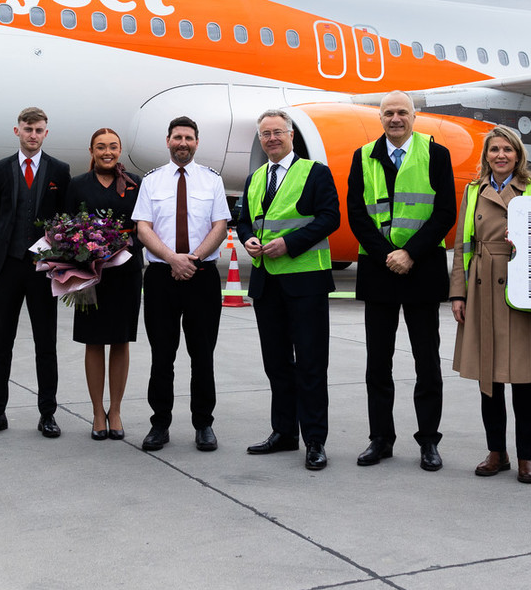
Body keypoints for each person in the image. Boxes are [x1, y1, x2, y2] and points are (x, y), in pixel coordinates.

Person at [345, 90, 456, 471]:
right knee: (378, 363)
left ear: (414, 116)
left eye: (402, 112)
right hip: (379, 271)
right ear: (380, 118)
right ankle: (381, 439)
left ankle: (429, 441)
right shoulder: (362, 156)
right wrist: (386, 255)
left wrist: (409, 253)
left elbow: (445, 212)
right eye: (389, 112)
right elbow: (357, 214)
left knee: (427, 362)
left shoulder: (436, 154)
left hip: (422, 269)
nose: (396, 118)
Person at [231, 109, 341, 471]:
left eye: (278, 132)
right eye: (265, 134)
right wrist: (247, 238)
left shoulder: (315, 172)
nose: (272, 139)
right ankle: (284, 432)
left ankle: (314, 440)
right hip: (267, 282)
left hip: (305, 281)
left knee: (310, 364)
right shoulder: (255, 177)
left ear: (291, 135)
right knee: (276, 363)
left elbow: (330, 217)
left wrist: (289, 244)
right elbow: (243, 219)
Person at [449, 125, 531, 482]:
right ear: (486, 156)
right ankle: (496, 452)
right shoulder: (473, 190)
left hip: (521, 289)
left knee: (525, 380)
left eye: (507, 149)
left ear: (518, 154)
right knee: (488, 379)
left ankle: (526, 457)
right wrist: (458, 293)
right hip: (482, 288)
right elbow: (462, 244)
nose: (501, 155)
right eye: (494, 149)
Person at [133, 116, 231, 453]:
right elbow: (143, 228)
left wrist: (192, 259)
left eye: (189, 138)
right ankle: (159, 424)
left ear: (197, 143)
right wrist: (172, 259)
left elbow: (220, 226)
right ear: (168, 141)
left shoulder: (212, 180)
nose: (183, 143)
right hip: (161, 278)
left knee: (202, 355)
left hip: (202, 277)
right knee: (162, 356)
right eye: (177, 137)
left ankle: (204, 424)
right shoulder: (152, 181)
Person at [0, 108, 71, 440]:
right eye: (28, 129)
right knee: (1, 343)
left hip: (43, 269)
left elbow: (63, 216)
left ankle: (48, 414)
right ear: (17, 130)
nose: (33, 135)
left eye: (39, 130)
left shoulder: (59, 170)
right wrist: (8, 242)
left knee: (46, 343)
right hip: (7, 267)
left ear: (46, 133)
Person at [65, 127, 142, 441]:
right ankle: (98, 412)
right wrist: (82, 250)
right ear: (91, 151)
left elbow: (144, 225)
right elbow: (66, 226)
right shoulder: (77, 185)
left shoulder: (135, 184)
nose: (107, 152)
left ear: (119, 150)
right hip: (89, 273)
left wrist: (125, 243)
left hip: (126, 271)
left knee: (121, 341)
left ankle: (116, 410)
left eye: (112, 146)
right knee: (93, 340)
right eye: (100, 147)